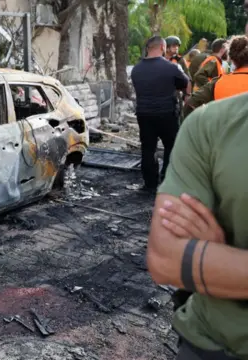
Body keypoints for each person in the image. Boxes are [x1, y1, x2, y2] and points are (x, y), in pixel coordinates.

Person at [147, 6, 248, 358]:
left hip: (183, 141)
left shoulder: (216, 77)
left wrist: (223, 260)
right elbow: (165, 255)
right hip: (210, 341)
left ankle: (158, 180)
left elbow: (192, 97)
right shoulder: (207, 73)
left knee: (152, 154)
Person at [130, 36, 190, 191]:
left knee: (148, 148)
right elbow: (185, 83)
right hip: (167, 113)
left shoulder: (137, 69)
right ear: (163, 47)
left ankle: (149, 184)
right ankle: (167, 180)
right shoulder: (170, 67)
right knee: (171, 146)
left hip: (144, 114)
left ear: (148, 48)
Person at [182, 35, 248, 119]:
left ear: (232, 58)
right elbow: (199, 75)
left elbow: (190, 103)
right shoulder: (213, 60)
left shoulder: (217, 83)